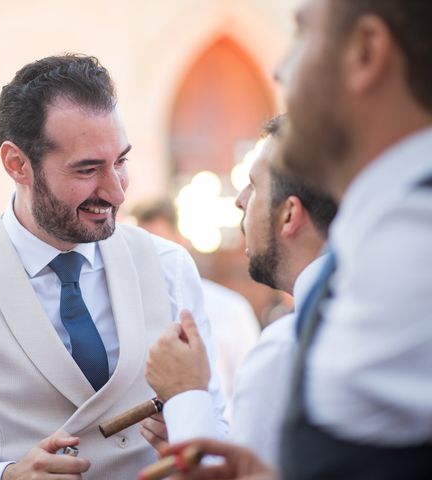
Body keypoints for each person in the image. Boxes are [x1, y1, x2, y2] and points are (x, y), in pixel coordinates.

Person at [0, 53, 228, 480]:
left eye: (120, 161)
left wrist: (189, 438)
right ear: (17, 164)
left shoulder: (169, 266)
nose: (115, 192)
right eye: (88, 169)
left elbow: (216, 424)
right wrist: (2, 477)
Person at [159, 0, 432, 478]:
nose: (279, 69)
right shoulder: (378, 237)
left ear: (366, 51)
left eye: (304, 34)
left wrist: (187, 400)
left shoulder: (407, 249)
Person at [142, 115, 337, 466]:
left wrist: (186, 396)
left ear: (289, 214)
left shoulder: (288, 351)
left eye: (253, 185)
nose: (240, 200)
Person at [130, 199, 260, 417]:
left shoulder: (230, 308)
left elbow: (252, 389)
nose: (149, 258)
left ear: (180, 243)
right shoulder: (124, 310)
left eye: (159, 246)